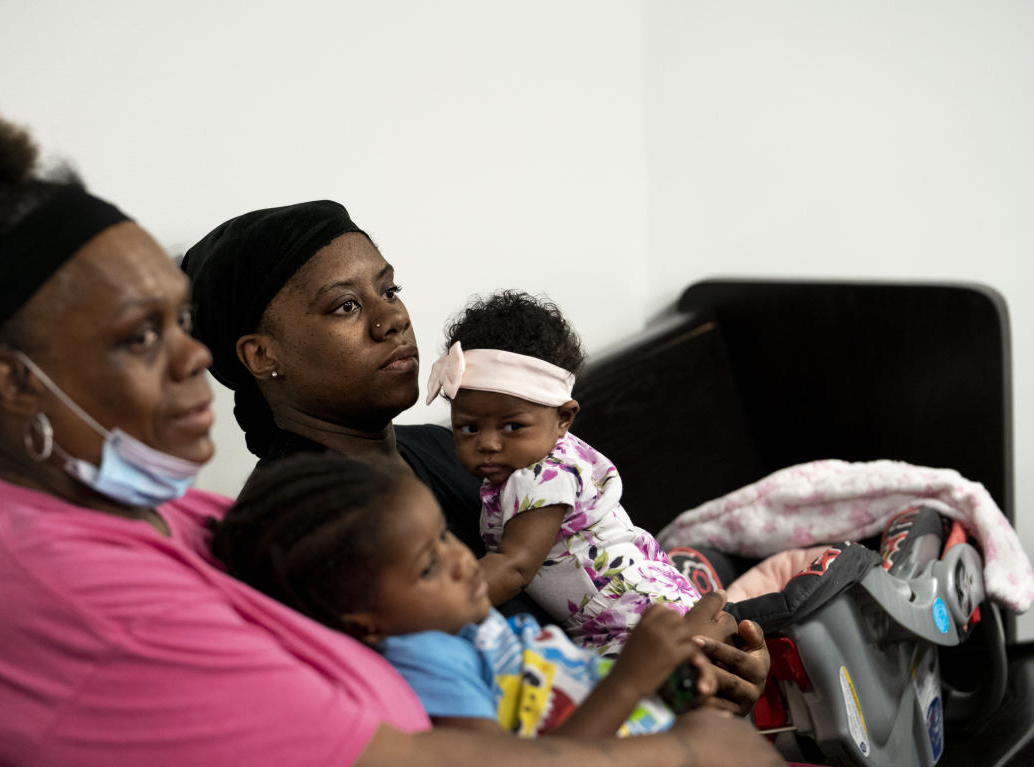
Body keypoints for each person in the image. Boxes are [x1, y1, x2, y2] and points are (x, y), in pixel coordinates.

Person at [0, 101, 797, 767]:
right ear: (18, 386)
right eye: (143, 336)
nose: (192, 358)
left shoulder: (169, 522)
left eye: (180, 324)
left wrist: (678, 688)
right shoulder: (63, 594)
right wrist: (687, 757)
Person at [181, 200, 773, 715]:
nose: (393, 319)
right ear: (261, 355)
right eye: (345, 307)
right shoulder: (301, 532)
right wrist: (667, 688)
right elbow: (450, 739)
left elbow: (599, 594)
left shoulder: (460, 452)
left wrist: (718, 665)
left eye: (389, 290)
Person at [214, 454, 718, 739]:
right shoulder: (427, 665)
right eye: (429, 565)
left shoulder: (467, 625)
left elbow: (575, 683)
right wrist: (632, 680)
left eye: (443, 536)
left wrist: (668, 682)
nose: (461, 558)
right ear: (366, 623)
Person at [426, 290, 701, 654]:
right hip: (621, 614)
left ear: (563, 418)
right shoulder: (531, 461)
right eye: (469, 428)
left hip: (632, 620)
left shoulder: (545, 477)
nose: (488, 444)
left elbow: (513, 567)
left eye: (511, 427)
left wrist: (433, 610)